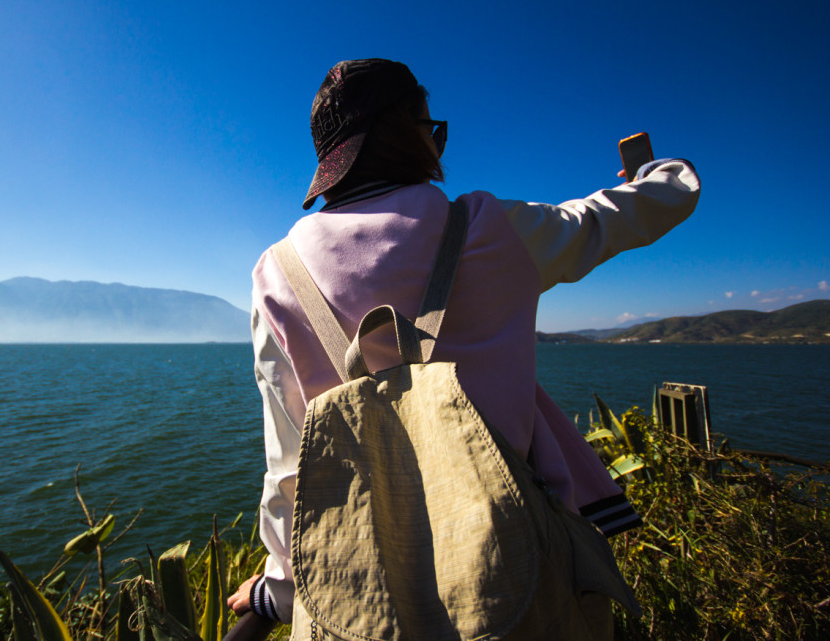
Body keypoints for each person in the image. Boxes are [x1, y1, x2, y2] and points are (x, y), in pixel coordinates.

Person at [228, 58, 700, 632]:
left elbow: (288, 463)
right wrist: (660, 173)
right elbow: (609, 217)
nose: (437, 143)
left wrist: (278, 589)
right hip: (517, 562)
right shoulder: (488, 227)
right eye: (431, 127)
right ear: (406, 131)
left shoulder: (275, 273)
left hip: (367, 590)